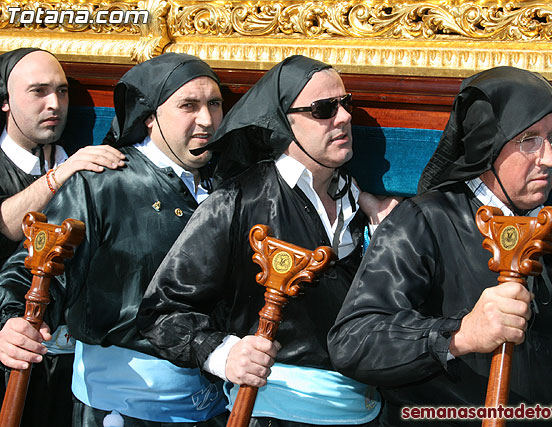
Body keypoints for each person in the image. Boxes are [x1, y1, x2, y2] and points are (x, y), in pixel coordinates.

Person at [327, 66, 552, 426]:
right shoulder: (423, 221)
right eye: (530, 140)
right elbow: (353, 342)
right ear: (487, 144)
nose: (551, 158)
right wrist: (460, 334)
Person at [137, 55, 399, 427]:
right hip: (272, 413)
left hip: (366, 411)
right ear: (284, 122)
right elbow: (161, 310)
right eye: (324, 109)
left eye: (346, 103)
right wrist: (223, 354)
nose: (343, 117)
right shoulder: (237, 203)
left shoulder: (358, 199)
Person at [0, 52, 230, 426]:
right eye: (189, 105)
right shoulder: (103, 181)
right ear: (150, 116)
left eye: (214, 104)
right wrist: (9, 320)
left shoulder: (228, 185)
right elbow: (35, 266)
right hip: (121, 407)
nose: (206, 119)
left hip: (216, 403)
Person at [0, 47, 124, 426]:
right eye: (38, 92)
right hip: (12, 350)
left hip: (79, 366)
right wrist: (64, 173)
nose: (54, 104)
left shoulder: (84, 161)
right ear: (5, 102)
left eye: (63, 91)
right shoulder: (70, 165)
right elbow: (7, 224)